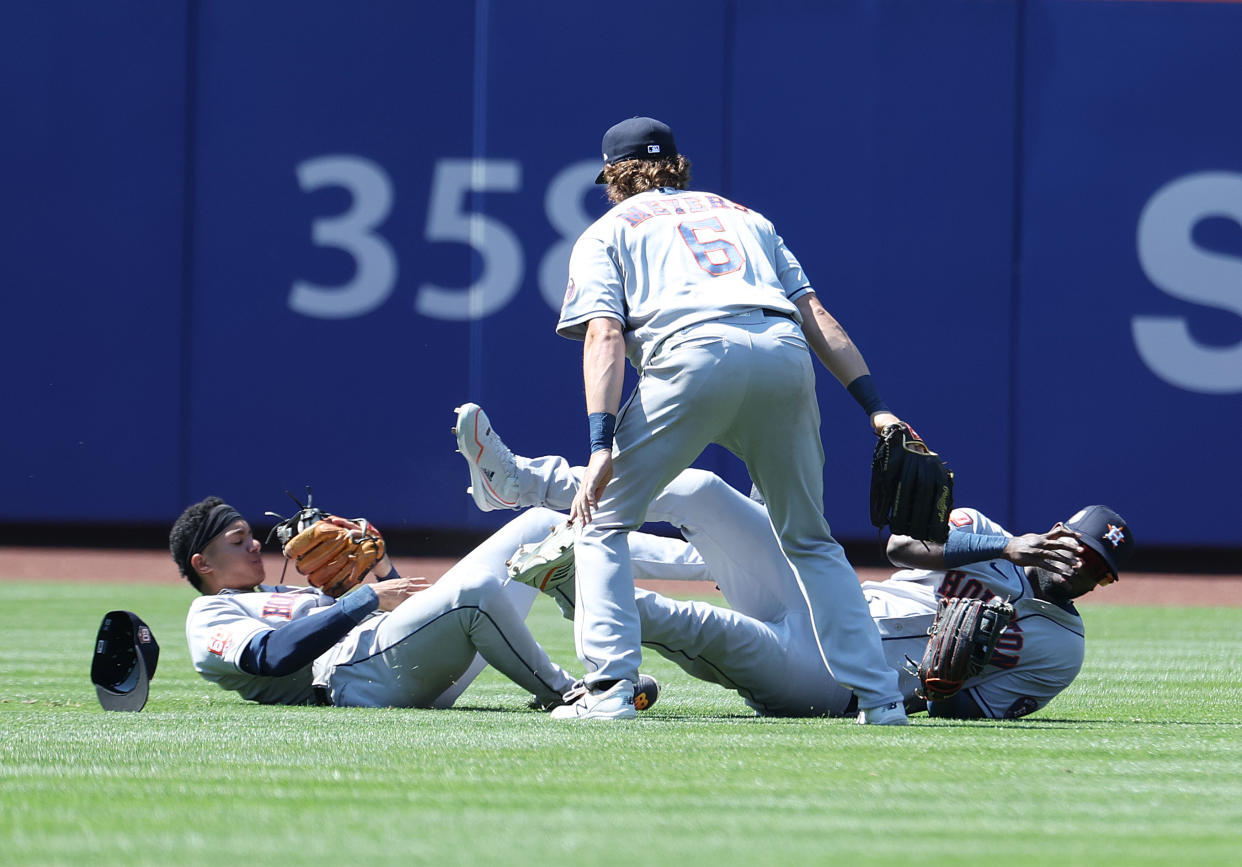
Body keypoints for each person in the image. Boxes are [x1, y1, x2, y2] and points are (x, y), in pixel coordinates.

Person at [550, 116, 914, 722]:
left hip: (692, 356)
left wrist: (599, 444)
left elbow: (605, 335)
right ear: (677, 163)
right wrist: (875, 405)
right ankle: (881, 700)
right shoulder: (745, 216)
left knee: (604, 522)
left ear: (614, 176)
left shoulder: (607, 230)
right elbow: (814, 312)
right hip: (782, 351)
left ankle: (611, 690)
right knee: (810, 540)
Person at [456, 403, 1134, 719]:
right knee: (699, 489)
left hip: (839, 683)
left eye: (1099, 569)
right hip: (826, 602)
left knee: (691, 623)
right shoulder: (989, 533)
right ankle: (521, 482)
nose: (1084, 568)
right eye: (1083, 549)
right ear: (1057, 532)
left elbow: (976, 713)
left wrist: (940, 683)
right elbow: (901, 546)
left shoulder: (1062, 649)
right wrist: (1004, 547)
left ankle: (570, 579)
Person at [169, 496, 657, 711]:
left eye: (250, 536)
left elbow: (411, 615)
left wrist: (382, 571)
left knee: (538, 526)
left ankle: (700, 561)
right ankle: (571, 693)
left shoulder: (281, 593)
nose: (254, 544)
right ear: (203, 564)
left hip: (389, 659)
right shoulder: (208, 615)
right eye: (237, 542)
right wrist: (361, 598)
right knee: (474, 594)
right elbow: (270, 658)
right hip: (354, 685)